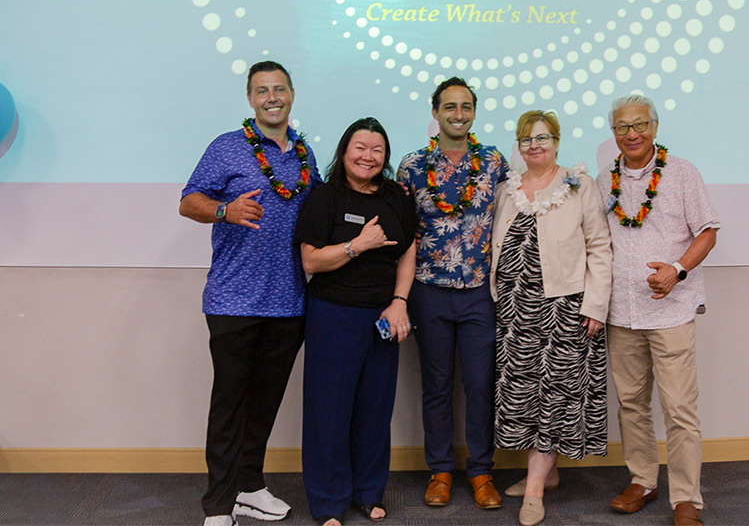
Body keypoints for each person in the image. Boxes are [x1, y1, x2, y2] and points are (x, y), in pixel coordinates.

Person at [180, 61, 319, 526]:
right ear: (250, 99)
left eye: (279, 89)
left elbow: (320, 209)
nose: (272, 97)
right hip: (233, 300)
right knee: (229, 406)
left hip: (289, 301)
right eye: (262, 90)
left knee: (265, 403)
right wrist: (224, 209)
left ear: (292, 95)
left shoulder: (304, 154)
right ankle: (218, 506)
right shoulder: (227, 147)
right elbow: (188, 200)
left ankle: (249, 486)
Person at [595, 95, 720, 526]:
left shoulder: (682, 173)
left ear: (655, 126)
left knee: (680, 409)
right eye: (622, 127)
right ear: (614, 133)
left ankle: (687, 497)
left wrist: (678, 270)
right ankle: (643, 480)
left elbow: (707, 232)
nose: (632, 134)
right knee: (631, 404)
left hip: (670, 310)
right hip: (621, 314)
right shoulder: (604, 180)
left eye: (640, 125)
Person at [489, 110, 612, 526]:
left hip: (562, 311)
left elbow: (599, 248)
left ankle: (536, 489)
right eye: (526, 140)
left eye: (542, 138)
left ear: (557, 142)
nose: (534, 145)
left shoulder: (579, 186)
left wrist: (595, 305)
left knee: (553, 400)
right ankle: (549, 472)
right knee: (522, 400)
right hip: (513, 313)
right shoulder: (509, 189)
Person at [294, 117, 418, 526]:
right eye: (360, 147)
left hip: (383, 317)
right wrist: (356, 245)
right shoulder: (324, 197)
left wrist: (400, 301)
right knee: (329, 411)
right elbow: (311, 260)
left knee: (374, 409)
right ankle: (329, 501)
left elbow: (408, 251)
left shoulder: (396, 197)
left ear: (385, 156)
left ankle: (368, 492)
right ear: (344, 151)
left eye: (377, 149)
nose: (368, 156)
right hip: (333, 315)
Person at [396, 77, 509, 509]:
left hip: (480, 292)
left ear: (474, 112)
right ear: (436, 112)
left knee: (481, 384)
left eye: (465, 107)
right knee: (437, 385)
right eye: (449, 107)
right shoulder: (411, 165)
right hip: (428, 290)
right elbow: (402, 229)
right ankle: (440, 470)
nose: (457, 114)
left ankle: (481, 472)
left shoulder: (495, 161)